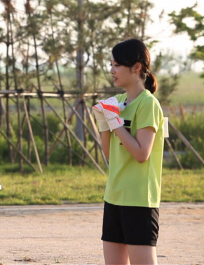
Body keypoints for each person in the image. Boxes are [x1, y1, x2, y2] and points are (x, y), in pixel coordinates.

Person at [92, 38, 165, 265]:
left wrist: (114, 122)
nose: (112, 70)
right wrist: (103, 123)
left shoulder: (148, 104)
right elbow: (111, 156)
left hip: (139, 200)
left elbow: (142, 154)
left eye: (117, 65)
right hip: (114, 196)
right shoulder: (120, 101)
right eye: (111, 64)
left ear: (136, 68)